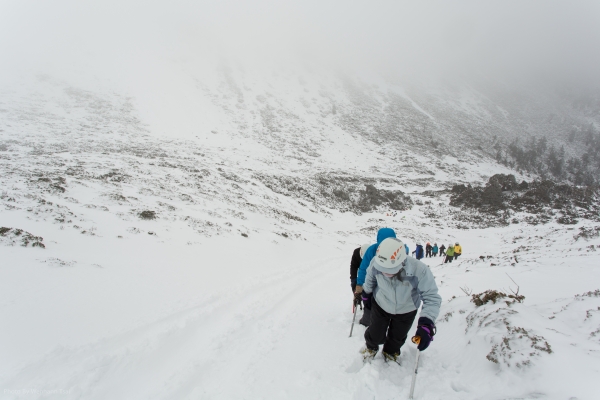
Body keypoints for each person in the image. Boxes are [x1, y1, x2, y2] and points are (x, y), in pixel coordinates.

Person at [359, 237, 441, 363]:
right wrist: (366, 293)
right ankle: (371, 347)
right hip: (381, 303)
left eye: (390, 271)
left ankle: (390, 352)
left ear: (402, 261)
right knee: (375, 332)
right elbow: (370, 278)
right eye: (383, 270)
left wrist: (426, 323)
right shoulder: (375, 263)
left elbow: (431, 297)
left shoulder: (419, 270)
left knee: (398, 336)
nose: (386, 273)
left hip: (407, 309)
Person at [355, 228, 399, 327]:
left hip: (380, 284)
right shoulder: (373, 250)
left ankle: (370, 322)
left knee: (372, 303)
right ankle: (374, 322)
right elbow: (364, 268)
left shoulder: (373, 249)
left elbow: (363, 268)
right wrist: (360, 285)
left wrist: (359, 286)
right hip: (384, 284)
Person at [350, 243, 372, 326]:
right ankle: (357, 300)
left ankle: (367, 307)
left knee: (368, 292)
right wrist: (353, 280)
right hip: (360, 272)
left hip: (370, 273)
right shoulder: (356, 253)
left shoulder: (372, 254)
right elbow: (353, 267)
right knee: (356, 289)